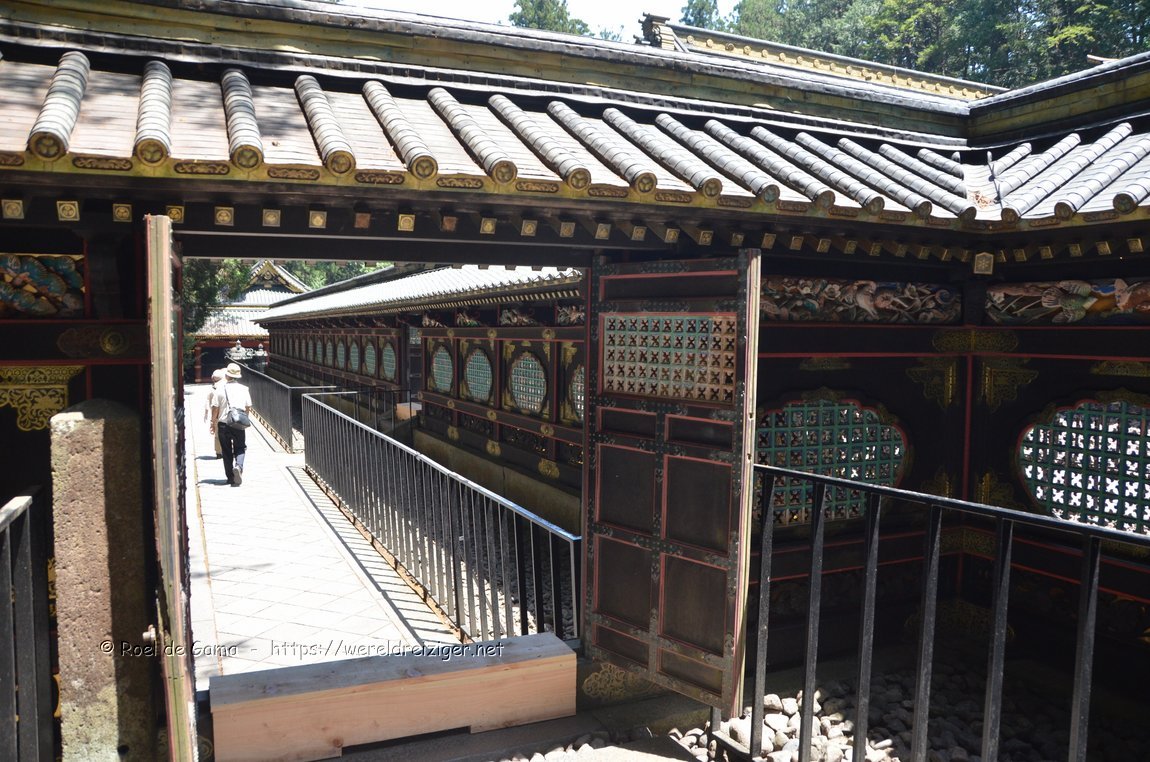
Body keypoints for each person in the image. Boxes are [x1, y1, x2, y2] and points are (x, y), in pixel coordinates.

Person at [210, 363, 252, 486]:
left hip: (223, 424)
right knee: (240, 447)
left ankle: (230, 477)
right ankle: (238, 466)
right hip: (238, 423)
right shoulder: (244, 389)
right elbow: (248, 407)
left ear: (227, 375)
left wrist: (213, 422)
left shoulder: (219, 389)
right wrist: (244, 419)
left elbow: (215, 408)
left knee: (226, 451)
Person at [204, 368, 226, 458]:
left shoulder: (213, 389)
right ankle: (228, 450)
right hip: (225, 413)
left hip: (217, 414)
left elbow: (211, 405)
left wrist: (212, 421)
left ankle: (218, 452)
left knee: (217, 434)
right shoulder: (225, 386)